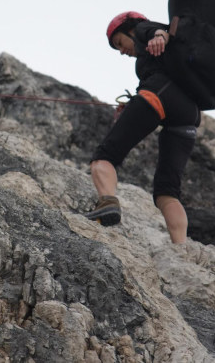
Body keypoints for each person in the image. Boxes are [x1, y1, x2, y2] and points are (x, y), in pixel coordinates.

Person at [85, 12, 201, 244]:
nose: (121, 51)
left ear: (130, 30)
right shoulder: (163, 57)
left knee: (105, 156)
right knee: (166, 191)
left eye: (119, 43)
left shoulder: (144, 29)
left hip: (158, 97)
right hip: (188, 116)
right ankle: (181, 247)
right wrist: (132, 105)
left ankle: (107, 202)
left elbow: (155, 32)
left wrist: (159, 37)